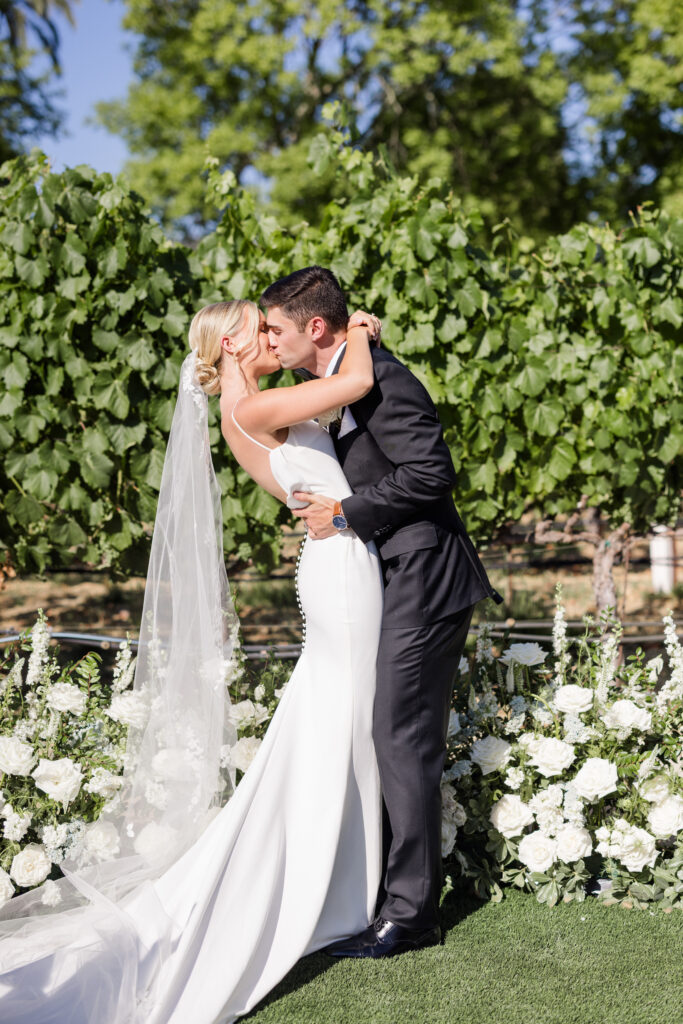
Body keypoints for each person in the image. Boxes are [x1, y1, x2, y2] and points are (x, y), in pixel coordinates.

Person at [0, 298, 385, 1024]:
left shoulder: (255, 398)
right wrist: (360, 330)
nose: (269, 333)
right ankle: (328, 894)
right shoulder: (250, 402)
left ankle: (340, 888)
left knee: (337, 727)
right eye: (257, 325)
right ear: (233, 343)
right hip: (338, 575)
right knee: (340, 724)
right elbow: (355, 386)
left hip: (340, 564)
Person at [260, 266, 503, 958]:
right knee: (384, 729)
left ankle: (412, 913)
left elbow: (431, 472)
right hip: (384, 573)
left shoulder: (386, 379)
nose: (270, 341)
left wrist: (345, 514)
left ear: (314, 326)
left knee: (400, 735)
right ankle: (382, 891)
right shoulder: (339, 376)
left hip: (424, 573)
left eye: (276, 328)